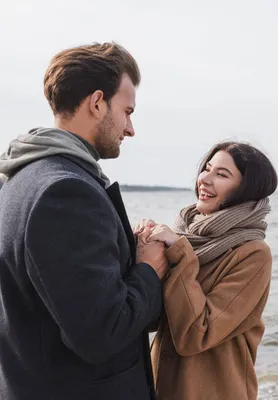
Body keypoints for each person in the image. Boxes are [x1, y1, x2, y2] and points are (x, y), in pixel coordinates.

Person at [0, 43, 168, 400]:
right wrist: (149, 268)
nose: (131, 128)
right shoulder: (65, 192)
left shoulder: (18, 179)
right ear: (96, 103)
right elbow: (101, 334)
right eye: (127, 111)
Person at [134, 141, 278, 400]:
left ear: (245, 190)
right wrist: (142, 259)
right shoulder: (185, 238)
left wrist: (179, 256)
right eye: (207, 169)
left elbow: (196, 334)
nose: (204, 179)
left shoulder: (253, 254)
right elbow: (150, 320)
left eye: (221, 175)